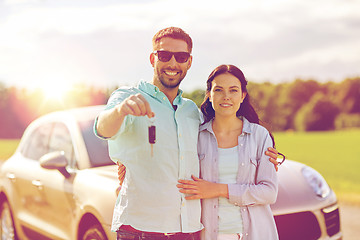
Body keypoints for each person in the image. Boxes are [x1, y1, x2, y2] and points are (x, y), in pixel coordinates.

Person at [95, 27, 279, 240]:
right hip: (141, 230)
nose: (173, 63)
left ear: (189, 62)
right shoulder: (128, 97)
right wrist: (120, 111)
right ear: (152, 58)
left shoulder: (192, 112)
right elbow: (103, 128)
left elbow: (223, 141)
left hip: (188, 231)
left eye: (181, 57)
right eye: (164, 55)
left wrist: (268, 158)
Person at [177, 65, 279, 240]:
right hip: (211, 234)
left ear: (242, 95)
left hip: (256, 234)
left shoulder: (259, 136)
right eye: (218, 90)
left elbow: (269, 192)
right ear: (209, 95)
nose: (226, 97)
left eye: (233, 90)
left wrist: (218, 189)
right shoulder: (196, 137)